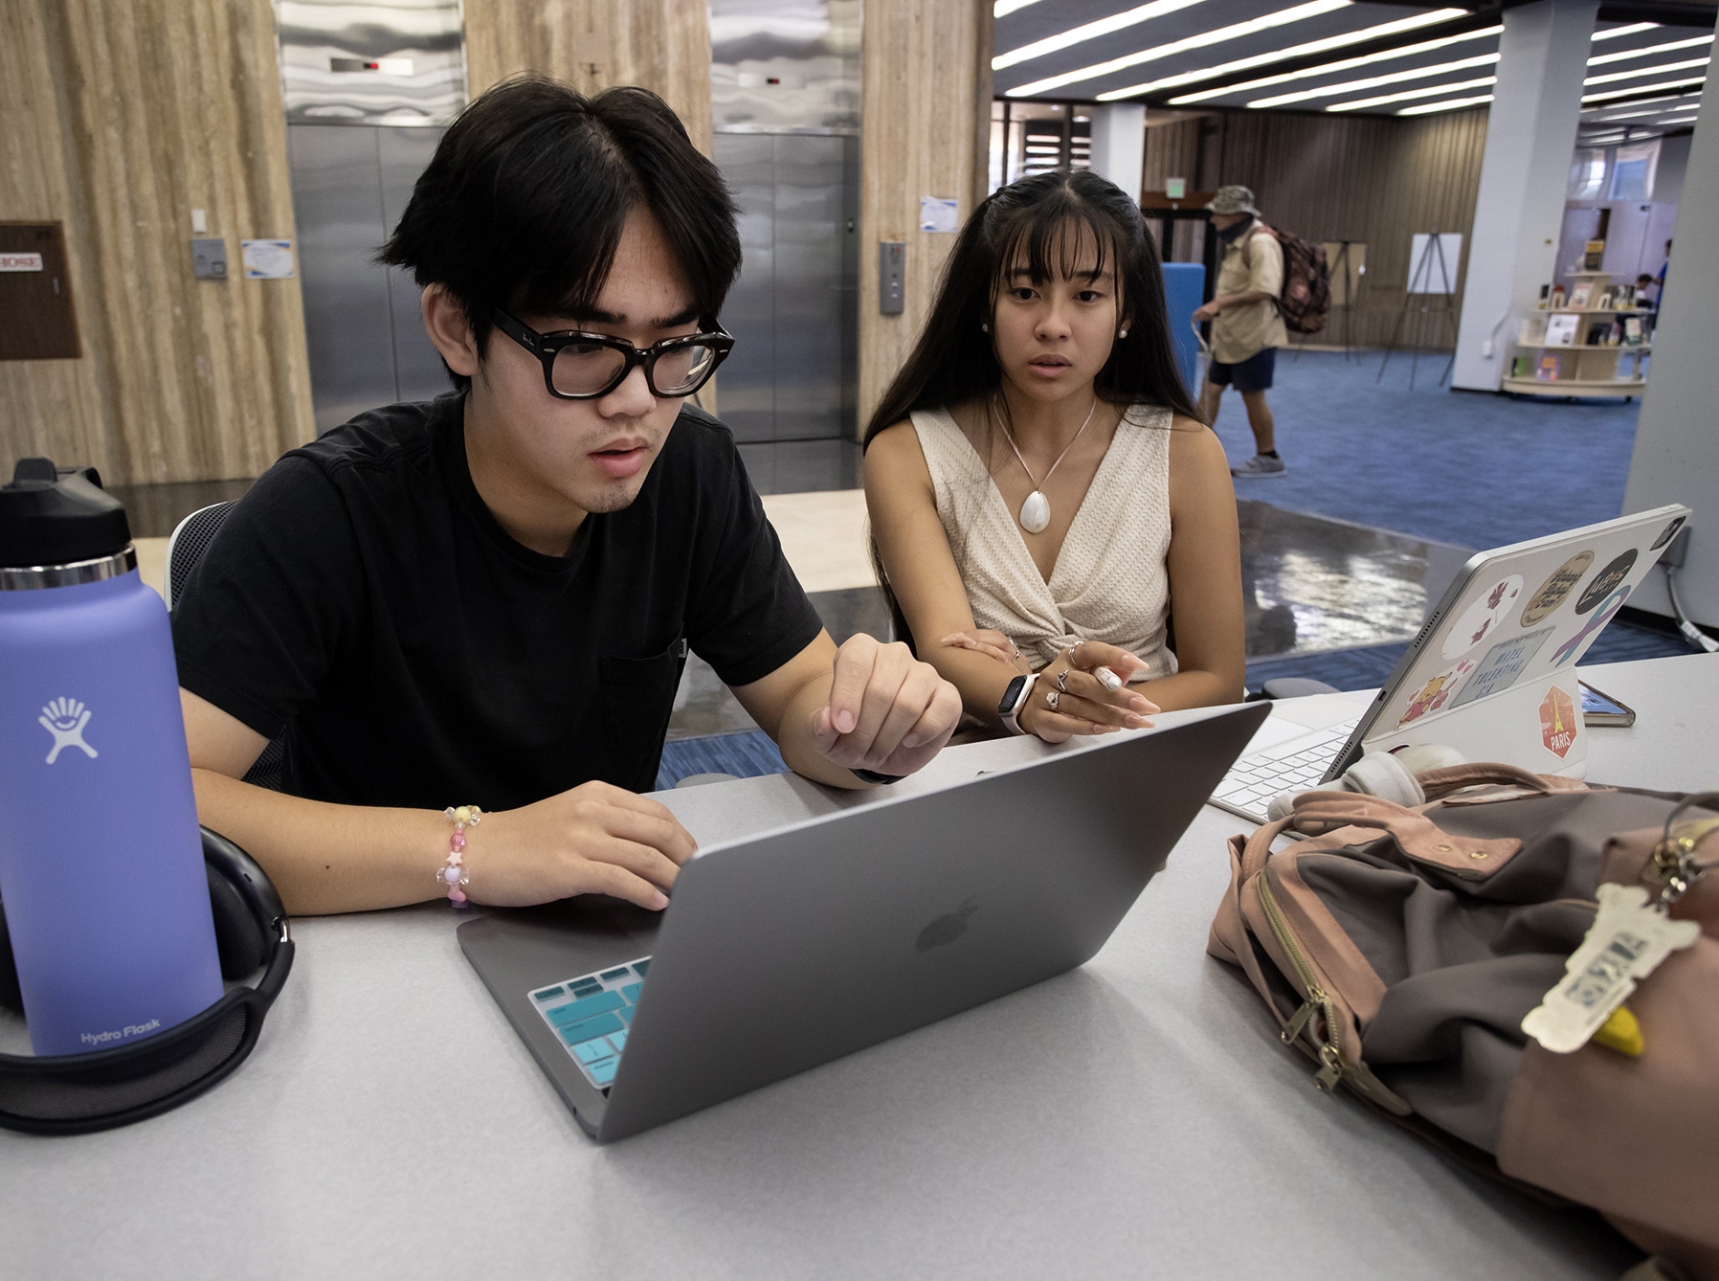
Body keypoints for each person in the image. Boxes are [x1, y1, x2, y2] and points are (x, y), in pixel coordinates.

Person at [171, 78, 961, 917]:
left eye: (675, 344)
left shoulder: (688, 472)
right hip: (374, 934)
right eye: (585, 346)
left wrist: (869, 726)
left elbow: (802, 695)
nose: (638, 402)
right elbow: (145, 802)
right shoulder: (330, 512)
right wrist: (474, 849)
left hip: (590, 933)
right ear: (454, 326)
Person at [861, 169, 1245, 746]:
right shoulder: (906, 450)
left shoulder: (1186, 450)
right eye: (1024, 292)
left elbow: (1219, 679)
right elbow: (944, 648)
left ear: (1126, 313)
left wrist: (1063, 708)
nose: (1053, 325)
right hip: (977, 760)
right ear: (984, 305)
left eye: (1087, 295)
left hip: (1144, 752)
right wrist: (1027, 702)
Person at [1192, 185, 1287, 479]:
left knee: (1252, 396)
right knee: (1210, 390)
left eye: (1218, 214)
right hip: (1229, 338)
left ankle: (1268, 456)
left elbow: (1265, 289)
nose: (1213, 220)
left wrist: (1219, 303)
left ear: (1235, 215)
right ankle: (1192, 448)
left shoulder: (1261, 243)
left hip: (1254, 338)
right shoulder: (1241, 241)